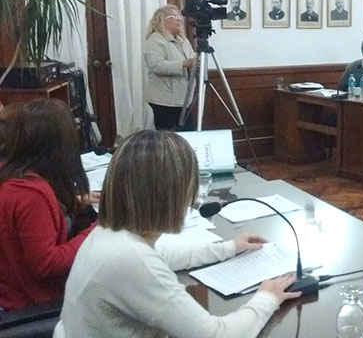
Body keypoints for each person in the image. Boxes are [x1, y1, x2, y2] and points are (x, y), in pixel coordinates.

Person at [54, 130, 301, 338]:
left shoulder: (109, 234)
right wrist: (266, 299)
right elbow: (215, 335)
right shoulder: (129, 259)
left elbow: (163, 254)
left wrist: (228, 248)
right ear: (171, 194)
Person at [0, 99, 96, 311]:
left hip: (13, 295)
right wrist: (97, 230)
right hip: (33, 306)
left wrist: (71, 202)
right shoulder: (31, 195)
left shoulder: (10, 175)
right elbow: (47, 264)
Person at [144, 4, 196, 130]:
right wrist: (185, 63)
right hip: (164, 99)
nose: (178, 20)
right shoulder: (155, 40)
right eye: (172, 17)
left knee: (187, 133)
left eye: (179, 17)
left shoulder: (183, 40)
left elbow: (192, 59)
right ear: (160, 20)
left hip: (184, 98)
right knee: (168, 135)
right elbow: (156, 66)